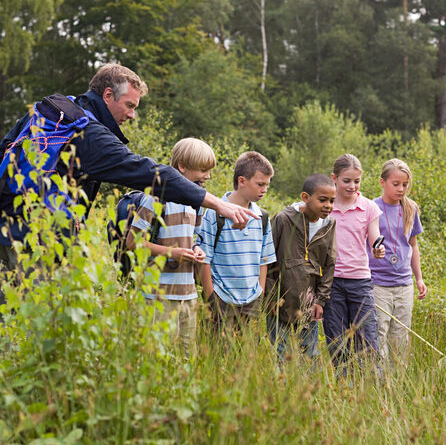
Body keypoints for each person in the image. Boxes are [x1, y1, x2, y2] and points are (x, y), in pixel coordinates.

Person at [0, 63, 254, 303]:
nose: (132, 115)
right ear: (108, 95)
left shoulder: (55, 111)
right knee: (35, 323)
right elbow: (151, 174)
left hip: (6, 226)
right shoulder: (89, 133)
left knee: (8, 317)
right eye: (129, 105)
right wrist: (217, 204)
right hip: (37, 242)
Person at [126, 138, 216, 358]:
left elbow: (190, 239)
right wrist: (172, 253)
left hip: (188, 294)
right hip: (159, 295)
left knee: (187, 358)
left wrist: (197, 250)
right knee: (159, 358)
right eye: (203, 170)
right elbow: (132, 242)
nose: (208, 176)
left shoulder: (196, 202)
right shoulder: (156, 198)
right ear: (182, 167)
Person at [198, 151, 276, 334]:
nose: (264, 189)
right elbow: (203, 259)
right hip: (221, 299)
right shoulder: (214, 213)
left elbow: (264, 260)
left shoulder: (262, 217)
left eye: (267, 184)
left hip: (251, 301)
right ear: (242, 181)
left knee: (245, 358)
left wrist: (260, 292)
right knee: (217, 355)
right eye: (260, 184)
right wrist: (211, 297)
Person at [322, 153, 385, 370]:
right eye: (346, 180)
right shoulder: (326, 208)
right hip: (332, 282)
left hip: (359, 281)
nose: (352, 185)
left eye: (356, 181)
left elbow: (374, 235)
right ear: (335, 178)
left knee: (367, 339)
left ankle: (372, 387)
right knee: (337, 341)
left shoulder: (368, 207)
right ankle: (342, 387)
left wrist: (378, 246)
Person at [266, 174, 337, 363]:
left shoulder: (330, 225)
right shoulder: (283, 219)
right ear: (305, 197)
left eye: (332, 201)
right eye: (322, 200)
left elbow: (329, 264)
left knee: (310, 355)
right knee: (280, 352)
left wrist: (321, 301)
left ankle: (309, 391)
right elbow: (269, 259)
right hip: (280, 301)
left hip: (309, 302)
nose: (328, 205)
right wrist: (271, 299)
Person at [367, 158, 427, 365]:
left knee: (400, 335)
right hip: (378, 283)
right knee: (379, 331)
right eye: (396, 184)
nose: (401, 189)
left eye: (405, 184)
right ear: (382, 182)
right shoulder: (371, 208)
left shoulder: (410, 208)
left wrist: (419, 278)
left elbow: (413, 245)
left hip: (404, 284)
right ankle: (379, 378)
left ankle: (398, 380)